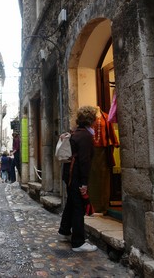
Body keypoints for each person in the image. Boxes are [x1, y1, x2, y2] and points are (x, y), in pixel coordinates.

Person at [58, 105, 98, 252]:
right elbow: (84, 161)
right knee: (78, 207)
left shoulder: (76, 132)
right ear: (91, 120)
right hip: (75, 176)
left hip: (69, 175)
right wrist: (84, 183)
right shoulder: (85, 136)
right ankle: (78, 242)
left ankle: (64, 231)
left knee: (71, 203)